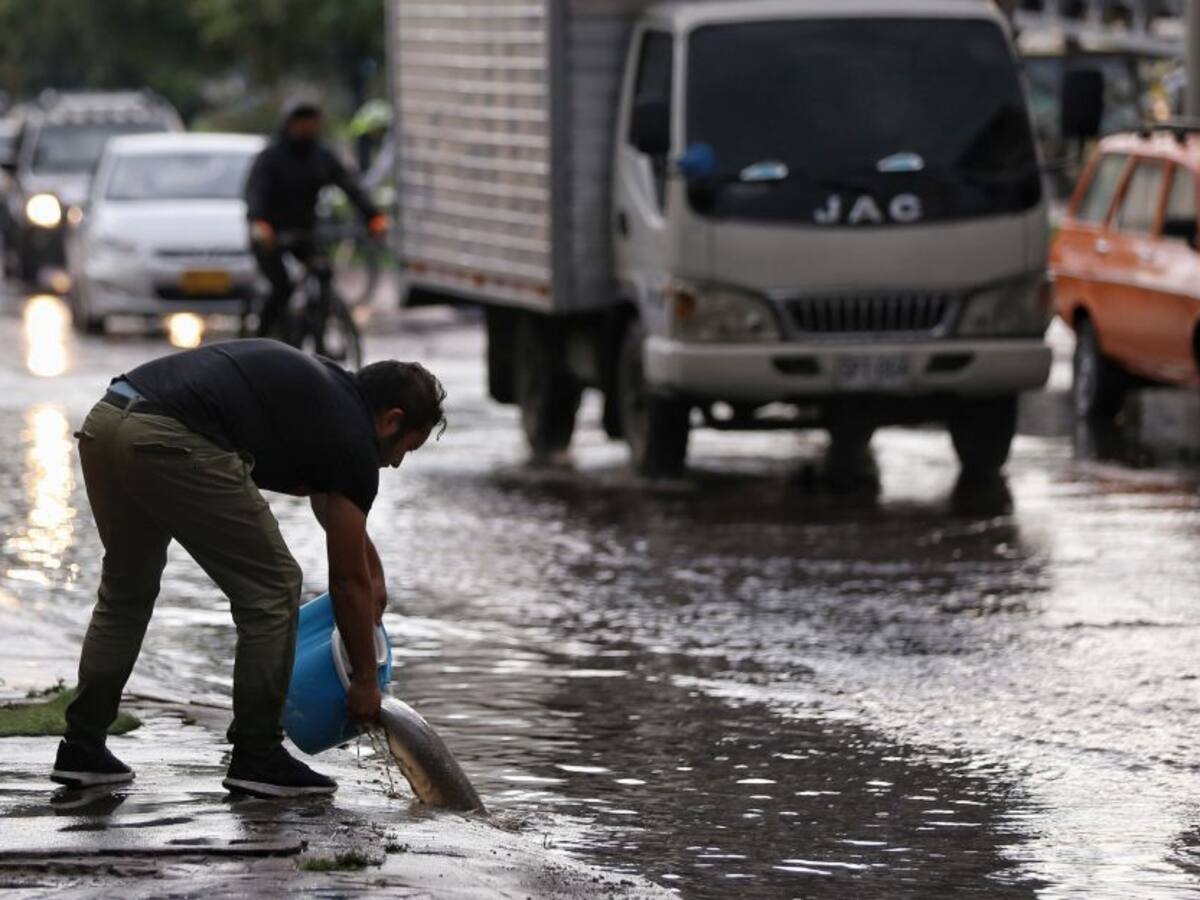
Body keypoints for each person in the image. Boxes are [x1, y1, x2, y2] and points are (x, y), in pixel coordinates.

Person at [52, 339, 446, 798]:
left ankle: (82, 746)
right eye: (405, 449)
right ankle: (257, 754)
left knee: (126, 591)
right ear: (391, 420)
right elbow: (345, 582)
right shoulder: (354, 442)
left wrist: (372, 569)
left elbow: (332, 504)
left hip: (108, 423)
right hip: (168, 437)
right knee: (274, 588)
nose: (395, 462)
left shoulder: (326, 394)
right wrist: (363, 681)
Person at [244, 100, 387, 346]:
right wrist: (259, 223)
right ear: (289, 124)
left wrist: (373, 216)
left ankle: (318, 332)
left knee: (322, 272)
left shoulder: (322, 157)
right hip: (271, 235)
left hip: (306, 233)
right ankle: (258, 340)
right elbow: (255, 194)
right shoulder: (271, 158)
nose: (307, 128)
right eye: (301, 123)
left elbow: (350, 186)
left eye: (312, 123)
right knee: (283, 286)